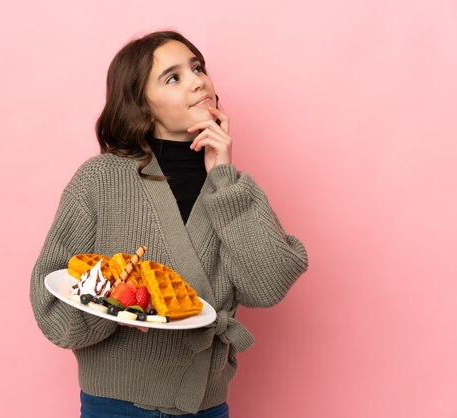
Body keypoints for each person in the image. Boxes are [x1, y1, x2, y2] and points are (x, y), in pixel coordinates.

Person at [30, 30, 308, 418]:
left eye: (198, 68)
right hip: (116, 405)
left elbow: (268, 285)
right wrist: (120, 310)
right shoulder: (99, 180)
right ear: (141, 105)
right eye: (173, 77)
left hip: (206, 406)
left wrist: (224, 175)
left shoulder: (232, 186)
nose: (198, 81)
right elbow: (52, 307)